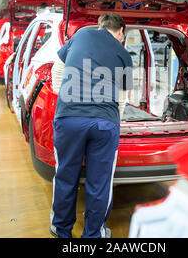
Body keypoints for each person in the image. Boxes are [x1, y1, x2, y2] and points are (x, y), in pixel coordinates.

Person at [49, 13, 133, 238]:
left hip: (69, 120)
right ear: (121, 33)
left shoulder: (82, 34)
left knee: (66, 175)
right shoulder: (124, 54)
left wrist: (66, 99)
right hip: (104, 123)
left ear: (100, 26)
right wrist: (116, 121)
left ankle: (61, 228)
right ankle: (93, 234)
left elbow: (56, 70)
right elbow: (122, 98)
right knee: (100, 182)